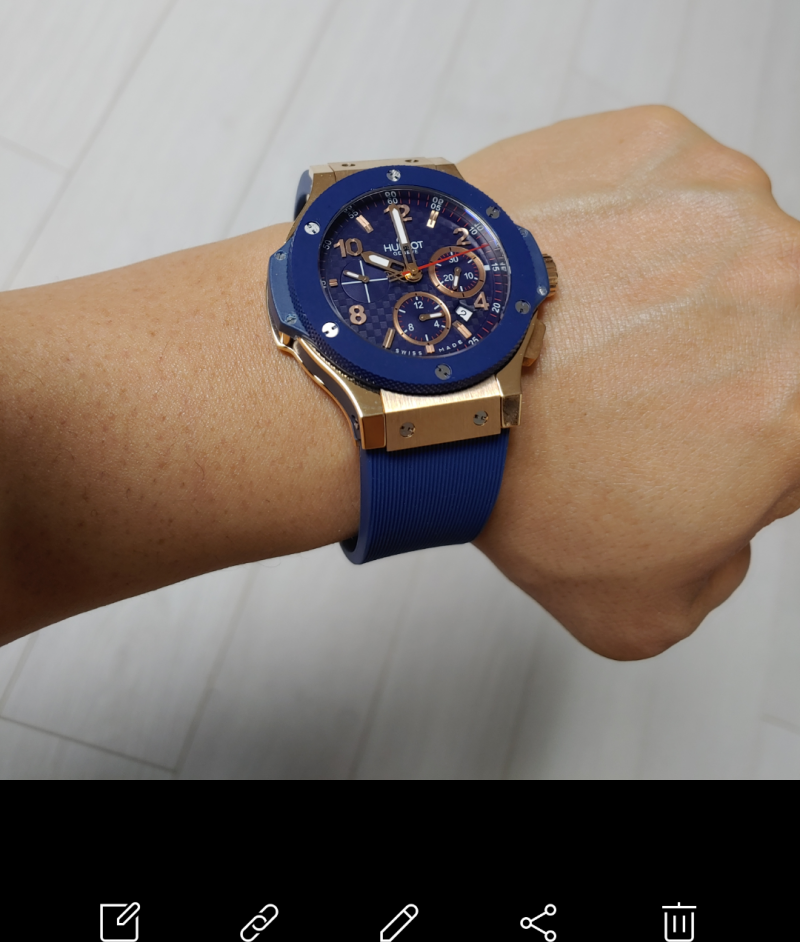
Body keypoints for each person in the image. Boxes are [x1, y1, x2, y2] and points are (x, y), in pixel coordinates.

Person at [1, 105, 798, 660]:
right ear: (290, 322)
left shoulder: (503, 287)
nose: (416, 275)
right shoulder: (313, 316)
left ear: (539, 276)